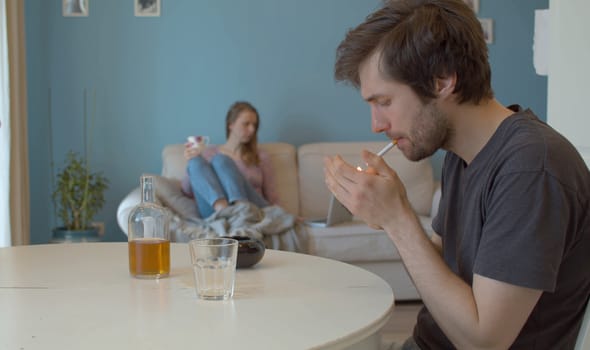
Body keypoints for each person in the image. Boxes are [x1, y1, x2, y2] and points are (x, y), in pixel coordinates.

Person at [325, 0, 590, 349]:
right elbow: (442, 272)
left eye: (384, 102)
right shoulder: (460, 154)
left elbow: (485, 341)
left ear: (443, 81)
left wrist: (397, 219)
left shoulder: (531, 167)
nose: (376, 125)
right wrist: (389, 210)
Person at [181, 101, 278, 218]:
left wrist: (284, 216)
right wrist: (191, 161)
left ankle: (241, 210)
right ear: (230, 124)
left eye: (254, 125)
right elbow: (187, 191)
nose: (252, 129)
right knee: (197, 162)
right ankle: (225, 211)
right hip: (217, 212)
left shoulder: (260, 156)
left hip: (252, 208)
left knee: (221, 160)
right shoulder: (209, 152)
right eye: (246, 124)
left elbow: (272, 197)